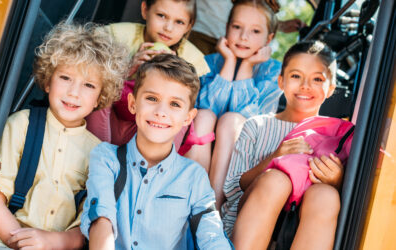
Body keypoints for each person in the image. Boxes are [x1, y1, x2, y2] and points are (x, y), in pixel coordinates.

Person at [0, 22, 129, 249]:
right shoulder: (21, 124)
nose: (74, 92)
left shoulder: (98, 153)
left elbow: (87, 223)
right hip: (3, 242)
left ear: (100, 97)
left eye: (89, 85)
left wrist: (53, 242)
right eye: (65, 78)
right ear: (48, 81)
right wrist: (22, 242)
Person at [80, 54, 231, 249]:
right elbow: (102, 219)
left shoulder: (194, 176)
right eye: (152, 98)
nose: (161, 112)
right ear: (133, 103)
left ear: (188, 117)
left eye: (175, 104)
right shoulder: (106, 158)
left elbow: (212, 236)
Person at [223, 40, 344, 249]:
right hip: (249, 216)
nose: (305, 85)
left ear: (331, 89)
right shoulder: (258, 126)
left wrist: (337, 181)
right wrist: (274, 158)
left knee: (327, 195)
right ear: (281, 81)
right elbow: (234, 188)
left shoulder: (336, 138)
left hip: (297, 227)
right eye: (296, 76)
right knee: (276, 181)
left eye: (317, 79)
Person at [188, 0, 282, 209]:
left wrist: (247, 66)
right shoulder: (212, 62)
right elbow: (206, 105)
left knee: (231, 121)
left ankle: (210, 211)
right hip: (203, 150)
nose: (243, 37)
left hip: (243, 158)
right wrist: (229, 62)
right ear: (227, 28)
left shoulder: (274, 72)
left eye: (255, 31)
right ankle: (190, 201)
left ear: (269, 39)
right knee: (203, 116)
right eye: (237, 27)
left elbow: (250, 122)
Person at [86, 0, 211, 149]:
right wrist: (128, 68)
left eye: (179, 22)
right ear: (145, 10)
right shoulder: (115, 35)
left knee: (182, 113)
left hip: (154, 125)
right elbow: (88, 78)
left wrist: (174, 72)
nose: (168, 27)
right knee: (98, 89)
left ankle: (158, 166)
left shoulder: (193, 59)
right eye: (161, 16)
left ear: (189, 26)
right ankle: (99, 153)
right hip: (111, 121)